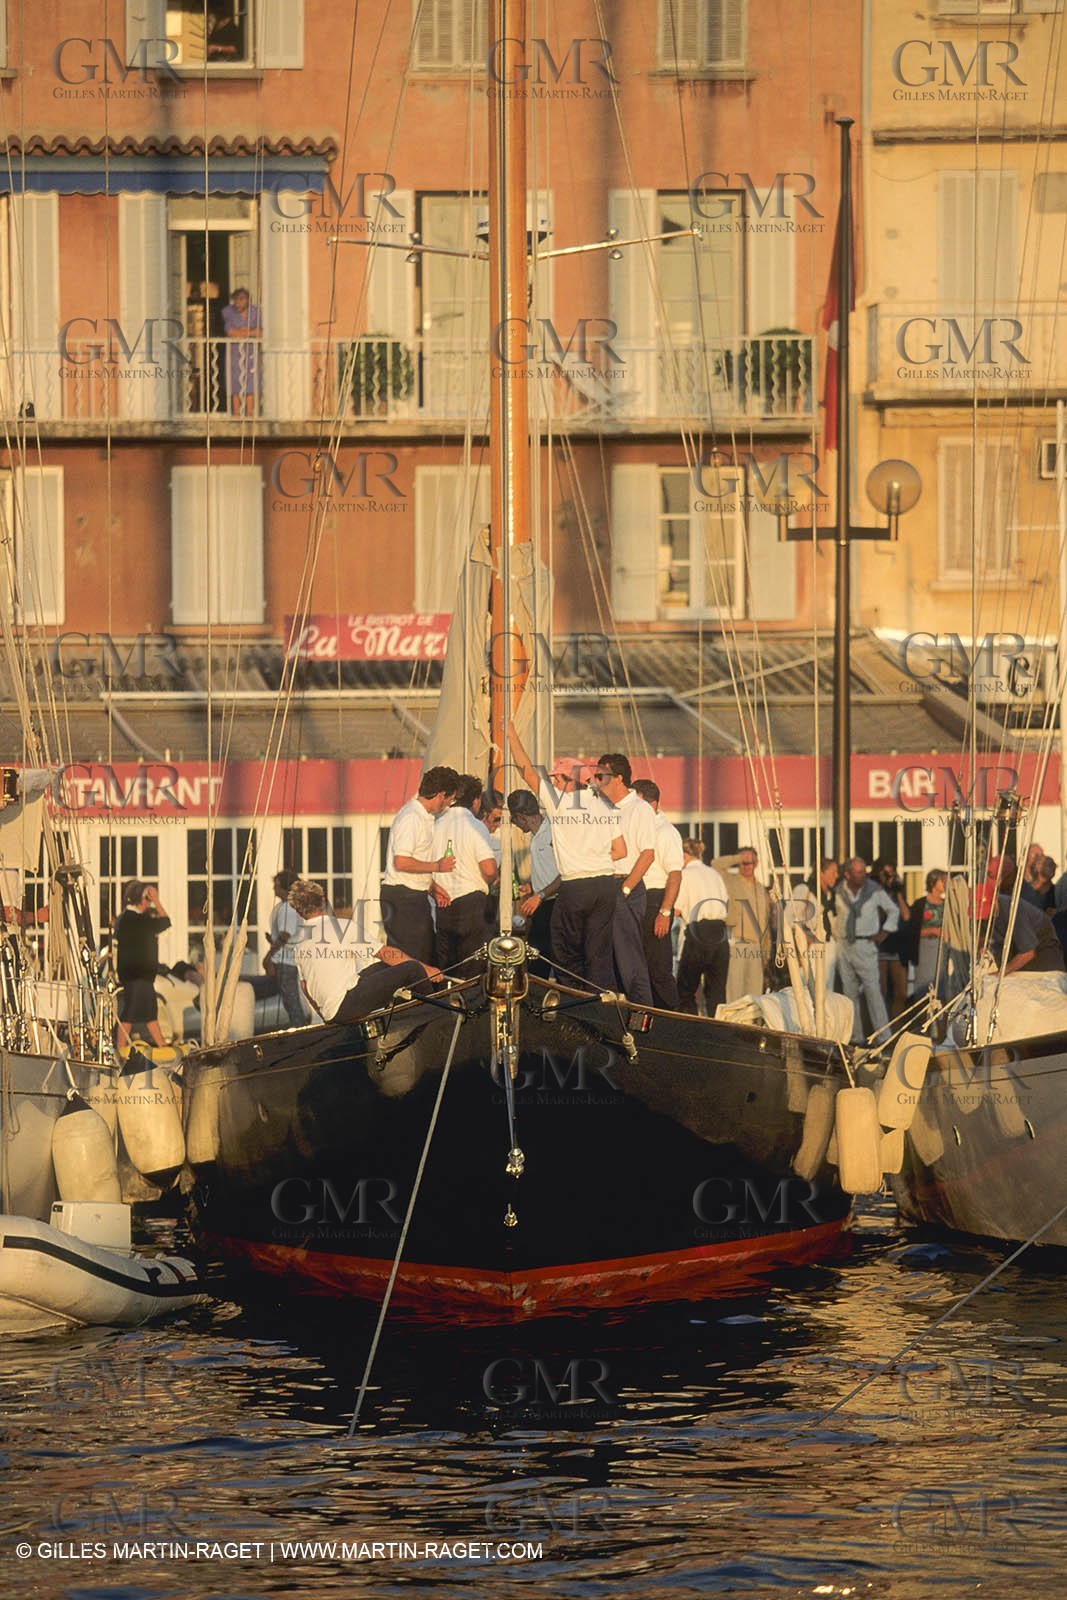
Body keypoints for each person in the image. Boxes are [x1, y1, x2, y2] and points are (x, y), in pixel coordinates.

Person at [508, 721, 623, 991]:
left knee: (564, 951)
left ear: (568, 781)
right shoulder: (605, 804)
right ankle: (599, 1006)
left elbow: (526, 771)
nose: (553, 782)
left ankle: (573, 1006)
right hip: (606, 884)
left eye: (557, 778)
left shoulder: (559, 802)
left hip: (576, 884)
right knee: (598, 953)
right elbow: (621, 850)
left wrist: (512, 735)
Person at [290, 877, 443, 1022]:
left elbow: (305, 988)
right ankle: (437, 1017)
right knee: (413, 969)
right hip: (346, 1004)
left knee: (385, 966)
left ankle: (401, 1015)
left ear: (298, 912)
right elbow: (384, 953)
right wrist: (427, 970)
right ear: (323, 901)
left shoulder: (299, 942)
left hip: (330, 1011)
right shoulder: (342, 926)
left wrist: (324, 1016)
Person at [591, 753, 656, 1006]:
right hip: (603, 884)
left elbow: (648, 854)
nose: (596, 781)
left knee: (629, 958)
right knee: (603, 956)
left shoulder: (639, 809)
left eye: (601, 776)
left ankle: (643, 1013)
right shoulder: (600, 807)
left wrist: (626, 888)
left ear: (618, 778)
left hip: (626, 885)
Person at [380, 765, 460, 965]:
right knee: (413, 960)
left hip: (414, 895)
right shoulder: (411, 817)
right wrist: (437, 866)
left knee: (425, 954)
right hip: (403, 898)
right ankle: (408, 995)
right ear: (441, 795)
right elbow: (401, 861)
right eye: (450, 799)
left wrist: (432, 887)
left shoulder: (424, 817)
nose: (449, 804)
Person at [429, 774, 499, 970]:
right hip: (473, 906)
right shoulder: (475, 826)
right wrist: (493, 878)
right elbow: (489, 869)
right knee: (475, 970)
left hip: (443, 904)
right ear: (475, 801)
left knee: (449, 971)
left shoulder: (435, 825)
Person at [833, 856, 899, 1045]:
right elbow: (834, 915)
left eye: (864, 871)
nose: (863, 875)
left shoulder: (874, 890)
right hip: (844, 944)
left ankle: (884, 1037)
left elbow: (893, 910)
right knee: (849, 993)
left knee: (873, 991)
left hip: (865, 944)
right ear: (848, 874)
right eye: (859, 872)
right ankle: (855, 1037)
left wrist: (884, 932)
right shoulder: (839, 891)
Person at [633, 779, 683, 1009]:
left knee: (658, 968)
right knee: (639, 967)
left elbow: (674, 874)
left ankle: (671, 1017)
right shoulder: (641, 829)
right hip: (638, 898)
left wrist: (664, 912)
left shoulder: (665, 832)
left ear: (652, 805)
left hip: (656, 899)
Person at [673, 838, 730, 1016]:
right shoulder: (714, 874)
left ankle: (690, 1028)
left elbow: (676, 908)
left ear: (684, 855)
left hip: (699, 933)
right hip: (720, 933)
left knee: (685, 988)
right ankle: (719, 1029)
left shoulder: (685, 875)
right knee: (717, 992)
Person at [115, 880, 171, 1050]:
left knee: (149, 1014)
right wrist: (157, 901)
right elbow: (166, 921)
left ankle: (162, 1046)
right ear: (142, 900)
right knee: (130, 1015)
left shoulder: (126, 918)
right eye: (148, 899)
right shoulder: (136, 920)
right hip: (137, 976)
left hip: (137, 976)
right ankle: (120, 1049)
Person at [508, 789, 560, 972]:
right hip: (542, 901)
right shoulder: (534, 835)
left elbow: (565, 872)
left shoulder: (553, 831)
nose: (514, 824)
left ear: (521, 817)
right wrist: (530, 887)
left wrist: (540, 894)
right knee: (537, 959)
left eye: (513, 820)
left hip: (555, 903)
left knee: (553, 958)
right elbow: (548, 869)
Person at [713, 846, 773, 1002]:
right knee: (735, 989)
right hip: (737, 942)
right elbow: (715, 864)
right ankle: (733, 1023)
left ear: (757, 863)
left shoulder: (761, 889)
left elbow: (765, 921)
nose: (746, 866)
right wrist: (737, 858)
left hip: (757, 946)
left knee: (755, 992)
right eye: (743, 863)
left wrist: (767, 951)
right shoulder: (731, 881)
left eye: (749, 862)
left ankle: (750, 1024)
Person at [974, 881, 1066, 975]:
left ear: (994, 902)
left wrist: (999, 974)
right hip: (1017, 962)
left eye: (985, 912)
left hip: (1044, 963)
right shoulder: (985, 916)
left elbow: (1028, 953)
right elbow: (982, 938)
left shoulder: (1014, 911)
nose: (984, 917)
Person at [783, 858, 839, 994]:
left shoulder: (831, 894)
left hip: (828, 944)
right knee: (808, 986)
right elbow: (788, 917)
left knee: (827, 987)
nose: (836, 876)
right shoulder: (804, 889)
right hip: (811, 945)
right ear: (821, 873)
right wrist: (806, 936)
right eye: (833, 872)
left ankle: (825, 1015)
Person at [263, 868, 307, 1026]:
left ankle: (300, 1031)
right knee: (289, 1001)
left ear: (284, 887)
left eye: (276, 885)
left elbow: (285, 935)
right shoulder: (291, 906)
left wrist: (268, 957)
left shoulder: (288, 908)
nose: (274, 889)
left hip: (285, 964)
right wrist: (273, 940)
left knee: (291, 1002)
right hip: (287, 961)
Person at [873, 858, 911, 1020]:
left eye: (891, 872)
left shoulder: (896, 894)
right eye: (885, 873)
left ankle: (896, 1028)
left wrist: (898, 893)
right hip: (880, 946)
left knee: (900, 992)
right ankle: (881, 1026)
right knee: (881, 991)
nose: (889, 876)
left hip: (896, 946)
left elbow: (906, 915)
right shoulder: (874, 892)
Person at [905, 868, 948, 1002]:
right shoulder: (921, 904)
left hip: (942, 947)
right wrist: (931, 931)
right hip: (924, 947)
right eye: (943, 881)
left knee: (940, 982)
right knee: (924, 983)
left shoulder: (946, 905)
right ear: (934, 883)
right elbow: (912, 928)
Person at [221, 287, 260, 416]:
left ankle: (250, 412)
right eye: (236, 300)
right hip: (235, 353)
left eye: (241, 300)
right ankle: (236, 412)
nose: (238, 303)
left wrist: (247, 332)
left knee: (251, 382)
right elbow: (230, 332)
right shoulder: (228, 312)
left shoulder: (255, 312)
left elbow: (260, 332)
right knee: (235, 381)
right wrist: (246, 333)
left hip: (250, 353)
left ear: (247, 300)